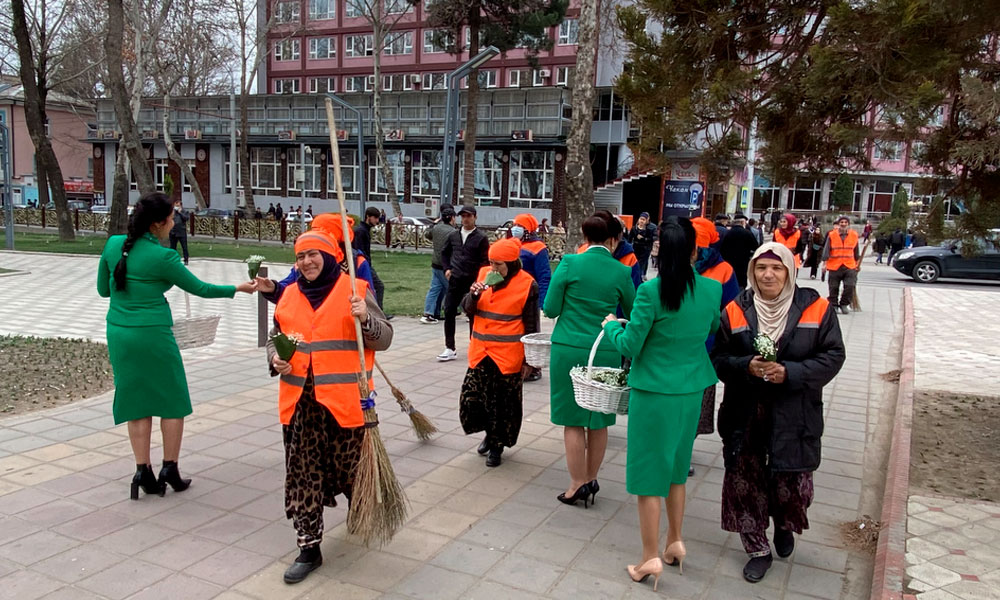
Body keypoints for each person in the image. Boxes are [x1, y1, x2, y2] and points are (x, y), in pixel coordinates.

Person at [97, 192, 253, 500]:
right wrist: (237, 287)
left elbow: (104, 290)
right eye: (171, 218)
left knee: (135, 401)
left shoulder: (114, 244)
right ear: (157, 224)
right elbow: (201, 288)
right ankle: (170, 468)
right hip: (153, 334)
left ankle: (142, 471)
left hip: (119, 332)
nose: (174, 223)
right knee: (172, 400)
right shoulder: (163, 257)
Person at [264, 228, 393, 584]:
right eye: (300, 257)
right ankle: (308, 547)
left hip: (346, 405)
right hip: (301, 406)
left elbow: (384, 338)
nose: (306, 262)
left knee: (352, 471)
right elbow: (274, 339)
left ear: (329, 257)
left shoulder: (356, 291)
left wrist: (365, 319)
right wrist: (275, 358)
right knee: (303, 476)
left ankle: (362, 511)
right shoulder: (289, 295)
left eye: (313, 255)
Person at [712, 242, 845, 584]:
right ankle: (758, 550)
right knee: (744, 485)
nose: (768, 275)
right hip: (745, 416)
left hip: (794, 415)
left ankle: (785, 525)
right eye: (761, 268)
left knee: (793, 487)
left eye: (776, 268)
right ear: (751, 271)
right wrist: (747, 366)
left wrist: (790, 373)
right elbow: (719, 359)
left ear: (789, 271)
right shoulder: (735, 309)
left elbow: (833, 355)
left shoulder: (815, 307)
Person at [602, 218, 721, 592]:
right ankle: (675, 541)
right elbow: (712, 328)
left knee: (648, 477)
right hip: (691, 389)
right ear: (694, 250)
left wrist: (611, 326)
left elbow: (630, 345)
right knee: (676, 471)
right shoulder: (711, 289)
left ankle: (649, 556)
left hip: (654, 392)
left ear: (659, 250)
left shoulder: (650, 292)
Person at [544, 214, 635, 509]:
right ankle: (592, 478)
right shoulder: (622, 271)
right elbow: (632, 311)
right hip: (605, 348)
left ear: (585, 237)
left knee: (572, 420)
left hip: (568, 347)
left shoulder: (569, 263)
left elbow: (550, 308)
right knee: (598, 419)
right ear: (614, 240)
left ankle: (576, 483)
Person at [459, 238, 540, 467]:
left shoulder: (527, 284)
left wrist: (529, 361)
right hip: (480, 352)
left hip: (508, 356)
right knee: (473, 399)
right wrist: (473, 296)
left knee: (503, 404)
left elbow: (531, 325)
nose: (493, 268)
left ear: (512, 263)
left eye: (498, 264)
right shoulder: (484, 275)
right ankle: (488, 432)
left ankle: (497, 445)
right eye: (491, 262)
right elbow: (467, 309)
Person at [689, 218, 740, 476]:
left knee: (697, 402)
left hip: (707, 349)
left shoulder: (724, 270)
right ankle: (678, 446)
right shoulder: (676, 265)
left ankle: (683, 447)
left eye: (699, 246)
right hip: (679, 347)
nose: (696, 253)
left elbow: (732, 310)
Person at [258, 214, 375, 301]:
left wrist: (365, 315)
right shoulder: (304, 264)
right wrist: (274, 288)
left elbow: (370, 300)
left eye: (320, 233)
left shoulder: (357, 263)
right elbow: (288, 291)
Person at [437, 205, 490, 361]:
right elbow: (444, 253)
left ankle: (474, 345)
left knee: (472, 313)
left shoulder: (481, 237)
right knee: (449, 310)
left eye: (469, 216)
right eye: (463, 216)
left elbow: (485, 260)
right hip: (455, 279)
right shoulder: (454, 235)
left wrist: (480, 279)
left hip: (473, 281)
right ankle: (450, 347)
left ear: (475, 217)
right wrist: (447, 268)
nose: (465, 219)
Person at [509, 213, 551, 382]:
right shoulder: (512, 244)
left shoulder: (538, 248)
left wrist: (543, 301)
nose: (515, 228)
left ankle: (533, 367)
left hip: (529, 296)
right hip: (512, 296)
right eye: (514, 225)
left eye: (519, 226)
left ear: (528, 229)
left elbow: (544, 276)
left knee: (530, 332)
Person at [421, 207, 457, 324]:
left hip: (435, 263)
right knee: (453, 289)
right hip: (446, 266)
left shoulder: (436, 228)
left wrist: (433, 224)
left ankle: (430, 313)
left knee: (435, 289)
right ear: (452, 218)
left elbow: (427, 234)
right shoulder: (453, 232)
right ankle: (464, 311)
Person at [822, 216, 861, 315]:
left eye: (845, 222)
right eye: (841, 222)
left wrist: (857, 263)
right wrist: (824, 263)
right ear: (838, 224)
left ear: (848, 224)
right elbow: (826, 250)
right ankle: (834, 304)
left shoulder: (854, 235)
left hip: (849, 265)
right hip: (834, 265)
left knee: (850, 285)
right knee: (833, 287)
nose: (843, 224)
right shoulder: (832, 235)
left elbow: (856, 250)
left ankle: (844, 304)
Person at [353, 207, 387, 312]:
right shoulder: (361, 231)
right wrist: (366, 264)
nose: (377, 221)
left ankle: (373, 311)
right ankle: (378, 312)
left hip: (365, 263)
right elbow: (359, 250)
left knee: (370, 288)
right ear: (368, 217)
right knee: (379, 286)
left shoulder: (364, 230)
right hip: (363, 264)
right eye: (375, 218)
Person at [719, 212, 760, 288]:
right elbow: (755, 247)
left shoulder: (727, 233)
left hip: (729, 263)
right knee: (741, 283)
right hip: (743, 263)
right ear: (742, 222)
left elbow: (722, 249)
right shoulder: (747, 233)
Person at [628, 212, 658, 278]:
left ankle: (641, 275)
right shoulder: (634, 228)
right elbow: (630, 238)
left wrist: (644, 238)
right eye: (640, 219)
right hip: (636, 247)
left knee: (642, 263)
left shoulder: (651, 228)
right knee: (635, 261)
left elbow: (654, 238)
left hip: (646, 248)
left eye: (643, 219)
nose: (641, 221)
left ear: (647, 220)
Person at [169, 200, 189, 265]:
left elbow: (186, 218)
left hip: (181, 232)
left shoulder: (184, 212)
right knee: (173, 247)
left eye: (178, 205)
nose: (176, 207)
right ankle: (173, 259)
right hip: (173, 232)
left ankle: (186, 260)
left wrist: (180, 213)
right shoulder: (172, 212)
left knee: (184, 247)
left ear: (181, 206)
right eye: (175, 205)